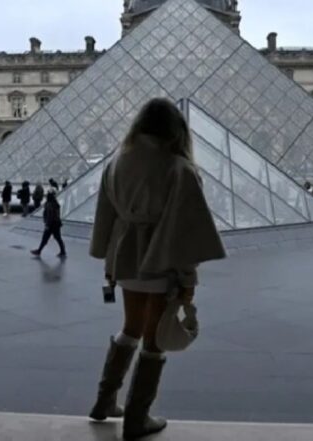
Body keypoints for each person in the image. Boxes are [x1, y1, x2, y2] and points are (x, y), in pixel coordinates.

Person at [86, 98, 226, 441]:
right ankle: (137, 418)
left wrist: (106, 259)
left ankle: (104, 401)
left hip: (124, 257)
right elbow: (185, 231)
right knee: (155, 338)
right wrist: (188, 279)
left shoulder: (117, 161)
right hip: (161, 259)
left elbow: (105, 215)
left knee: (130, 327)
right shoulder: (179, 168)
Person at [30, 190, 66, 257]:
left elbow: (50, 215)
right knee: (57, 238)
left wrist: (47, 225)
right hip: (56, 223)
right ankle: (63, 251)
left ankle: (39, 251)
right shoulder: (55, 203)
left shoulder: (49, 204)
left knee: (46, 238)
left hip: (51, 224)